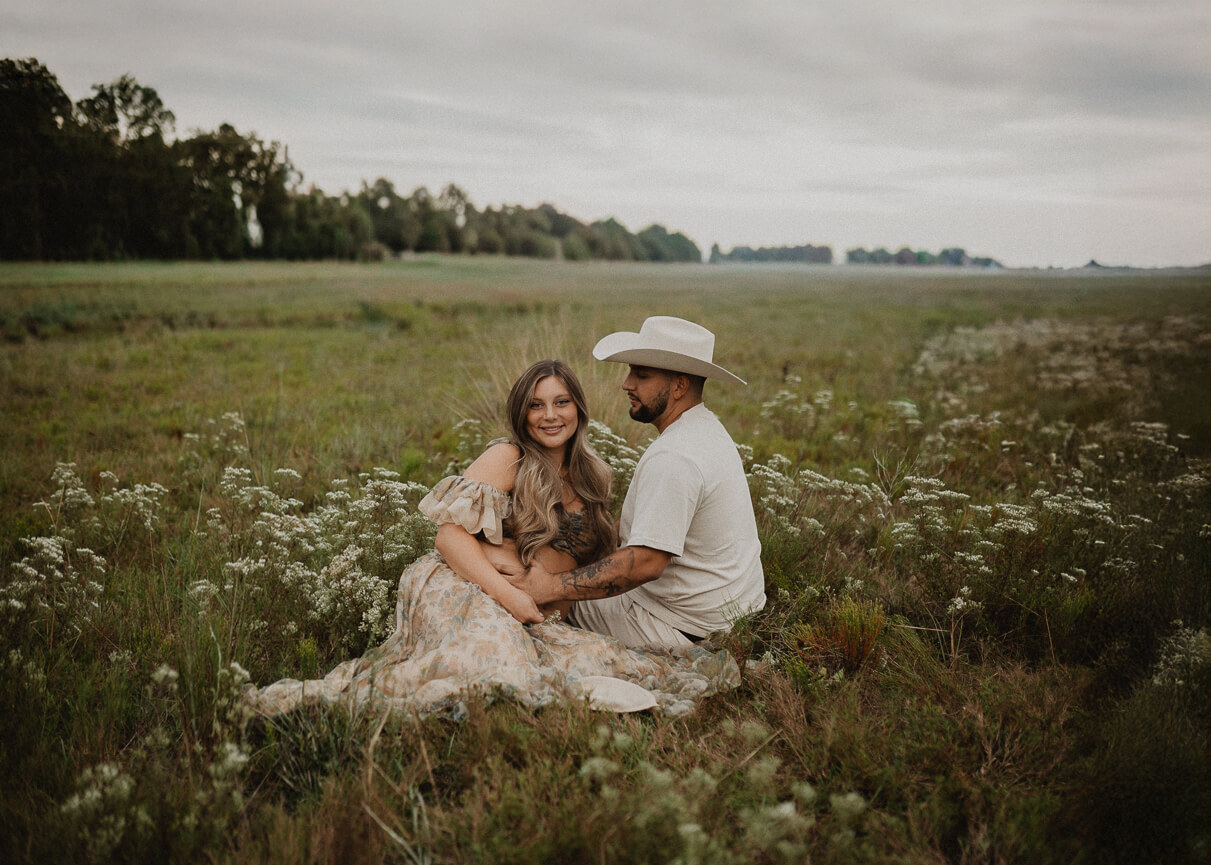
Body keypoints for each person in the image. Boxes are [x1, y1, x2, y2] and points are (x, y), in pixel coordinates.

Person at [244, 358, 740, 718]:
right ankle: (344, 712)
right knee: (482, 662)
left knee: (577, 667)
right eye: (536, 405)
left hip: (539, 601)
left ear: (579, 409)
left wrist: (541, 593)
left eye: (562, 402)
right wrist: (511, 591)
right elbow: (449, 540)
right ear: (521, 414)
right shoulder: (508, 458)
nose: (550, 416)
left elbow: (596, 561)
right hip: (470, 584)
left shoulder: (596, 475)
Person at [506, 316, 766, 650]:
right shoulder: (704, 428)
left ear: (679, 386)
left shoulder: (675, 457)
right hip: (730, 610)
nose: (627, 383)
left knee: (537, 606)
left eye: (641, 375)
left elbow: (646, 563)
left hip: (679, 623)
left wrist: (549, 587)